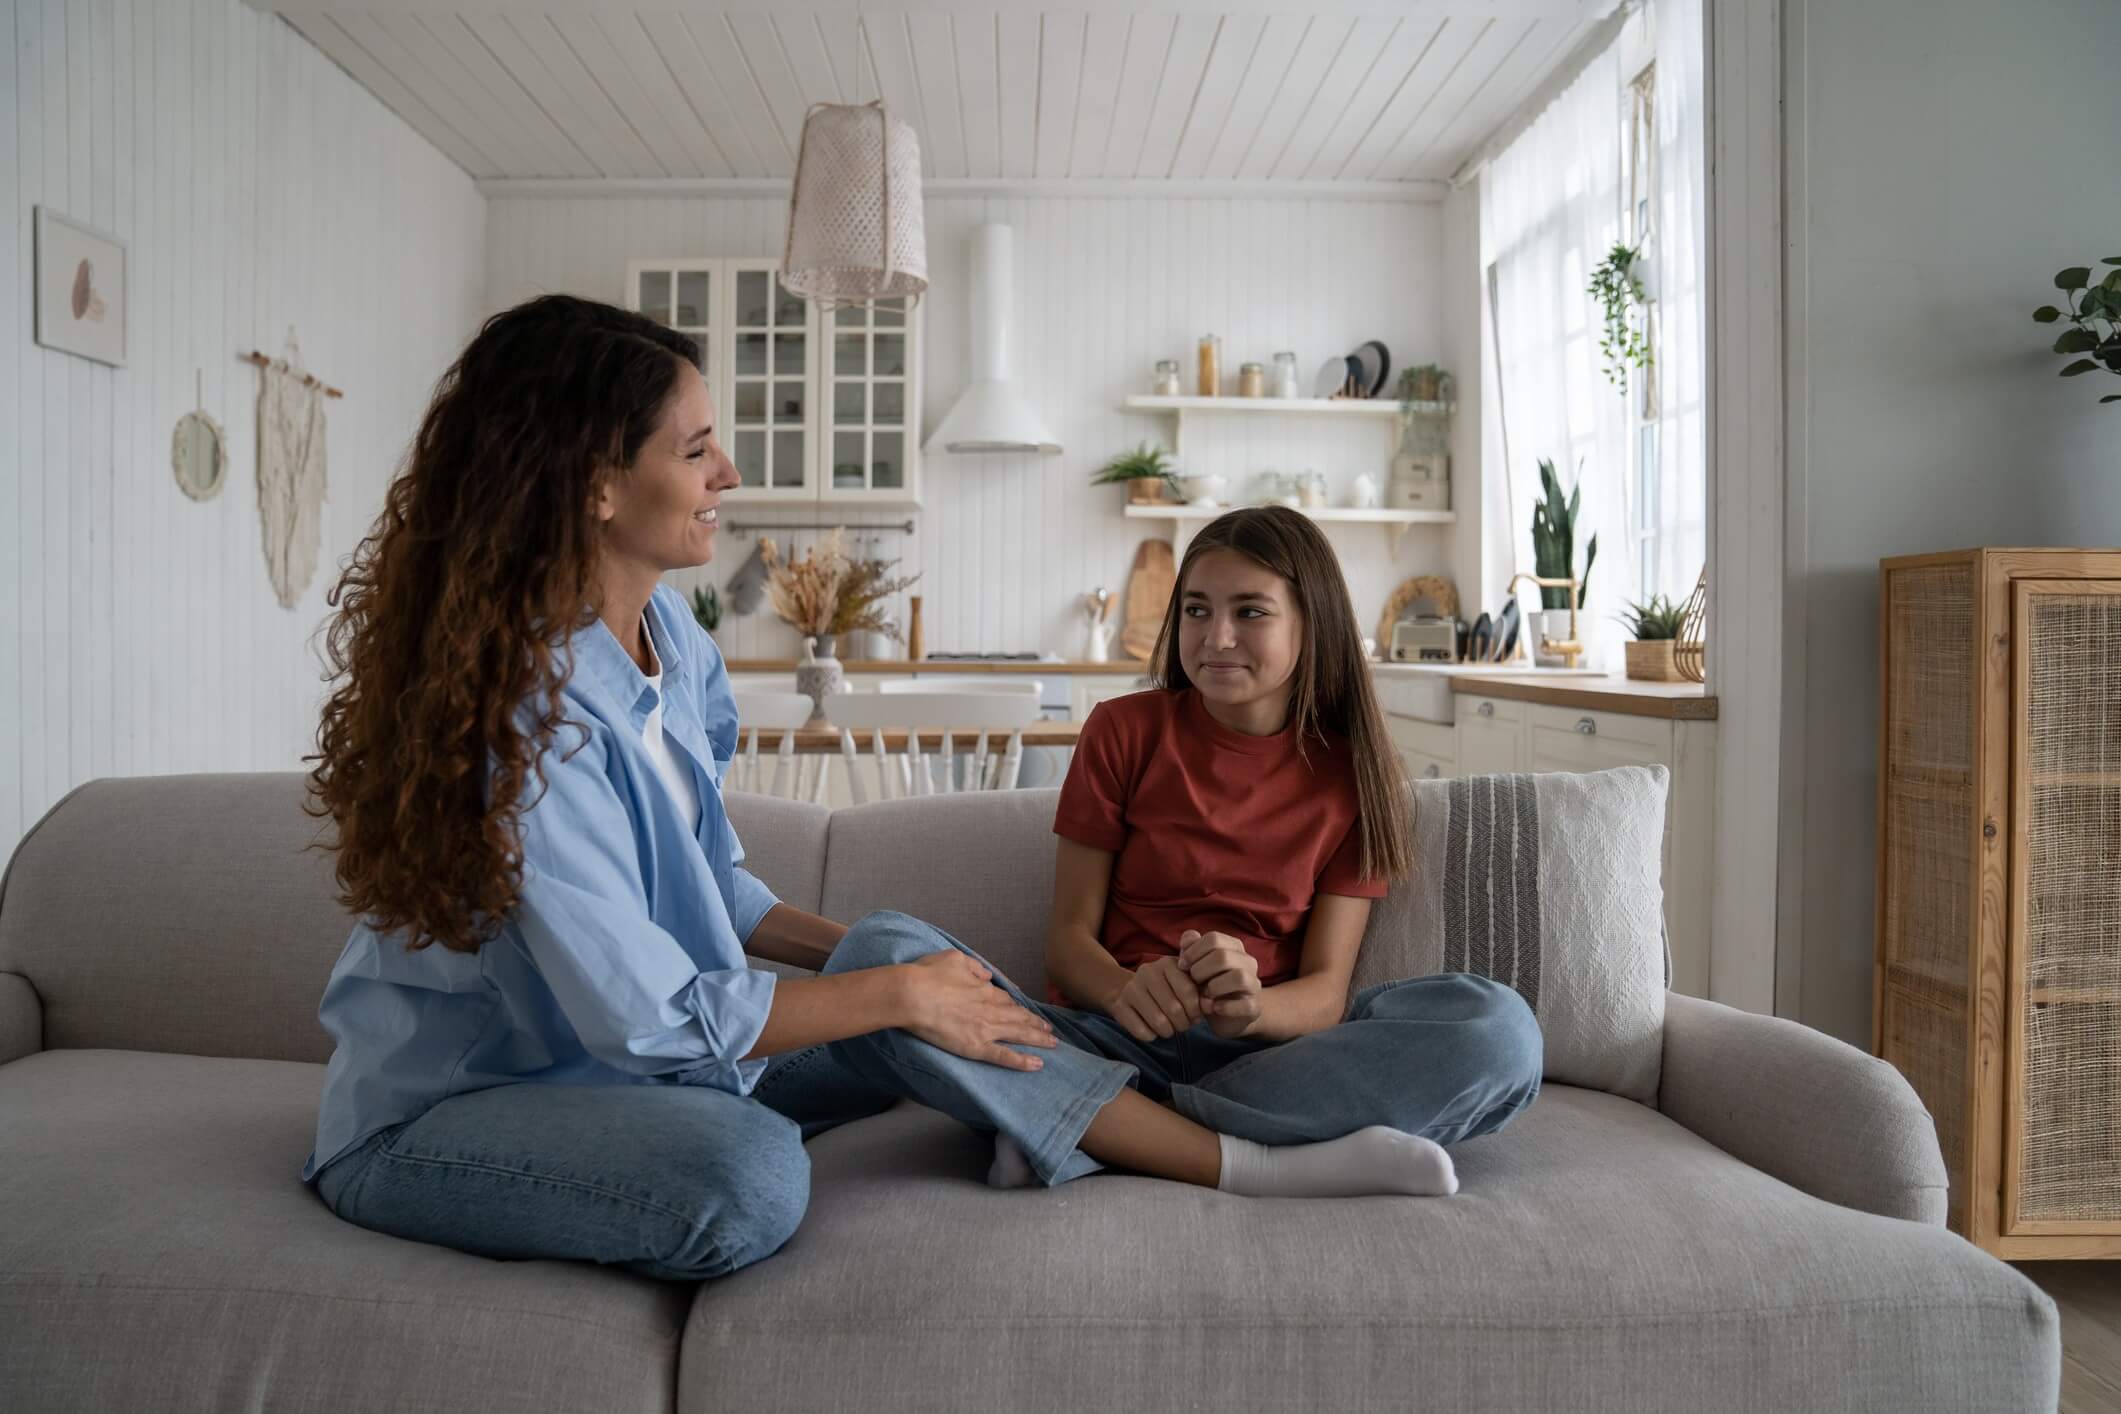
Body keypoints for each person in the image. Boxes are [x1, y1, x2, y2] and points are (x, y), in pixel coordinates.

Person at [300, 294, 1058, 1282]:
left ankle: (1124, 1114)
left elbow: (713, 888)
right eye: (696, 449)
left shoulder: (675, 644)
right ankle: (1066, 1113)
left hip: (625, 1068)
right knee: (750, 1174)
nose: (728, 475)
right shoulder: (531, 716)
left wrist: (895, 963)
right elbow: (649, 1016)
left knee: (897, 955)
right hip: (452, 1113)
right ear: (596, 485)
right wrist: (899, 993)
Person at [821, 508, 1543, 1196]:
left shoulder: (1353, 776)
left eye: (1249, 612)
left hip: (1260, 1061)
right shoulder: (1122, 731)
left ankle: (1082, 1126)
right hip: (1101, 1039)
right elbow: (1068, 945)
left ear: (1311, 624)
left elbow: (1324, 995)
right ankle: (1218, 1153)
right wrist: (1124, 990)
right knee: (878, 952)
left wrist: (1249, 1009)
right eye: (1196, 610)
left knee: (1497, 1029)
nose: (1215, 636)